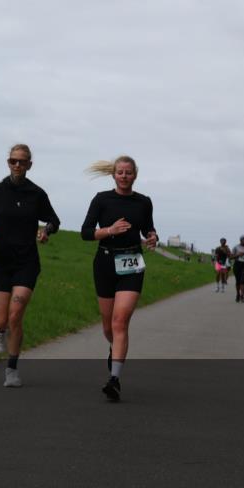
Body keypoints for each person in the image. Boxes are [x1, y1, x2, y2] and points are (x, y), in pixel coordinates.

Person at [0, 144, 60, 388]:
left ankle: (11, 369)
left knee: (15, 316)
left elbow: (54, 220)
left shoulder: (37, 194)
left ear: (30, 164)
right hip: (0, 261)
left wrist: (46, 231)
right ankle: (0, 331)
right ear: (8, 162)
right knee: (0, 321)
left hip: (26, 262)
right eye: (13, 161)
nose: (17, 165)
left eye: (22, 162)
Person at [80, 155, 157, 402]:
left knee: (120, 320)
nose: (124, 176)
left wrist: (153, 237)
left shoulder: (144, 202)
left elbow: (149, 229)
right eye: (120, 172)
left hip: (132, 263)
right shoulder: (102, 199)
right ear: (113, 175)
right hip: (104, 262)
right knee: (108, 325)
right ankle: (115, 349)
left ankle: (114, 379)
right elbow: (85, 232)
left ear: (135, 175)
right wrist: (109, 231)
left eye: (129, 172)